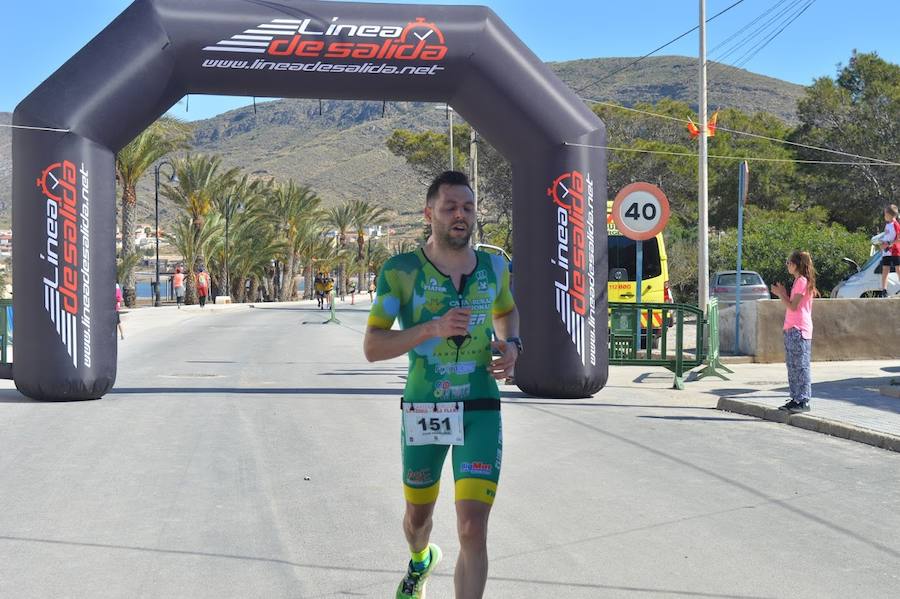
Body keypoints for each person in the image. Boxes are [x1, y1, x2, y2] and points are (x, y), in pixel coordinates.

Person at [363, 171, 520, 599]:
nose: (460, 215)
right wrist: (430, 328)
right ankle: (420, 560)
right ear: (428, 213)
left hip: (481, 407)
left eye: (467, 208)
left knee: (472, 527)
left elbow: (507, 313)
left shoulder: (494, 267)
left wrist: (511, 345)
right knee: (418, 519)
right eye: (450, 207)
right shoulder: (401, 273)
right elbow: (373, 346)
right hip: (425, 410)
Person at [771, 250, 817, 413]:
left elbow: (793, 306)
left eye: (789, 263)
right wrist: (783, 293)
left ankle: (803, 399)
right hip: (791, 328)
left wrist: (780, 294)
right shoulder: (798, 281)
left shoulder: (802, 281)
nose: (787, 265)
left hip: (799, 329)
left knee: (801, 365)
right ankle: (795, 398)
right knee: (792, 365)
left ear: (796, 265)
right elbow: (791, 304)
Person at [872, 204, 900, 297]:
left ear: (890, 215)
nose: (884, 216)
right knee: (885, 269)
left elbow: (898, 239)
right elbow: (887, 236)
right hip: (886, 251)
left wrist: (888, 244)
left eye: (885, 214)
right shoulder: (887, 225)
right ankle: (884, 290)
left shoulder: (896, 225)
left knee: (898, 268)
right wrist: (881, 242)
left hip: (895, 250)